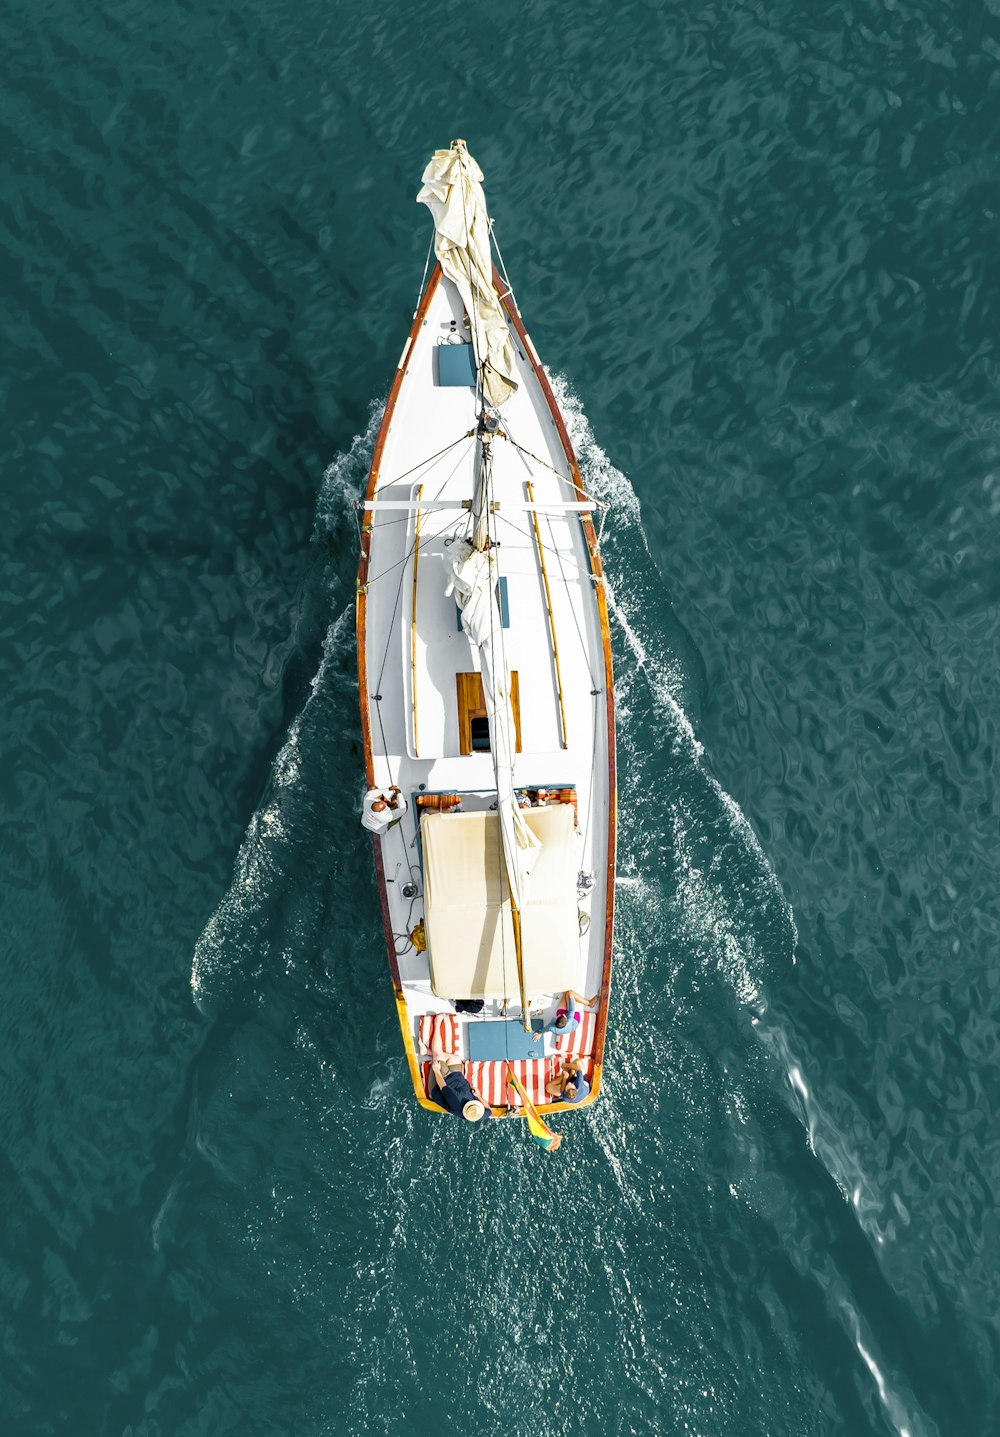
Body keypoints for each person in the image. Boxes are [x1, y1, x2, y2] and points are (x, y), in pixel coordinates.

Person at [428, 1047, 492, 1124]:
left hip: (440, 1084)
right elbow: (488, 1109)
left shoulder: (456, 1101)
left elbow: (443, 1086)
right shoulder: (477, 1113)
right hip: (456, 1079)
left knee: (438, 1055)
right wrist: (478, 1095)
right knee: (455, 1058)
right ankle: (428, 1052)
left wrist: (436, 1070)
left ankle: (429, 1049)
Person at [535, 988, 600, 1038]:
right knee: (570, 992)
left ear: (557, 1018)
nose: (563, 1014)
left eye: (560, 1015)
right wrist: (571, 996)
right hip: (574, 1020)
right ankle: (589, 1003)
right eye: (563, 1015)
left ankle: (587, 1002)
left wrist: (539, 1033)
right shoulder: (570, 1018)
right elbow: (572, 1009)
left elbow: (544, 1030)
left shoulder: (551, 1028)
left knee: (567, 993)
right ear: (566, 1018)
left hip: (564, 1021)